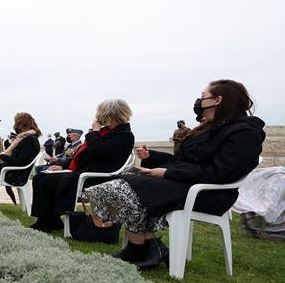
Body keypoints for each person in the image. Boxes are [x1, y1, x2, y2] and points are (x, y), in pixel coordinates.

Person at [87, 80, 264, 268]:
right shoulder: (211, 126)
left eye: (203, 97)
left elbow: (222, 172)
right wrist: (151, 157)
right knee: (114, 187)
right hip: (185, 183)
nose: (199, 101)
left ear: (217, 100)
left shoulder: (245, 131)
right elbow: (185, 160)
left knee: (117, 188)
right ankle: (148, 245)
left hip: (209, 192)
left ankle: (140, 247)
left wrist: (167, 173)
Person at [28, 100, 135, 233]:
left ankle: (49, 220)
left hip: (97, 176)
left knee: (47, 181)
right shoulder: (106, 133)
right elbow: (81, 155)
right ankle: (47, 220)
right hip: (87, 172)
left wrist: (94, 133)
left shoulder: (124, 135)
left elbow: (96, 151)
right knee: (40, 178)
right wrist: (62, 166)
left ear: (109, 115)